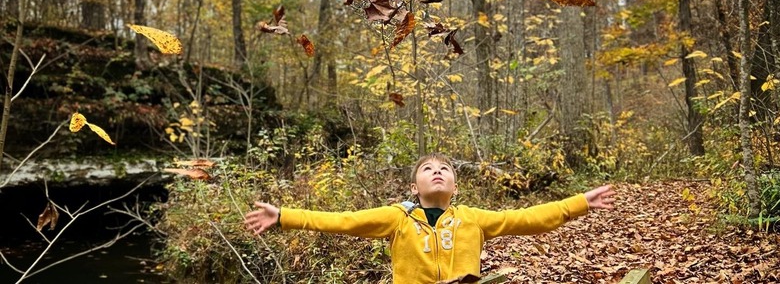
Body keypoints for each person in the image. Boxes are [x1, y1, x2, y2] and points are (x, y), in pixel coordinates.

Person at [244, 152, 616, 283]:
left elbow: (528, 219)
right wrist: (284, 216)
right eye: (428, 169)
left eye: (445, 169)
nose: (437, 172)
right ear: (413, 186)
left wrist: (579, 202)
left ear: (455, 185)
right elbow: (343, 221)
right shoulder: (396, 218)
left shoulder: (473, 218)